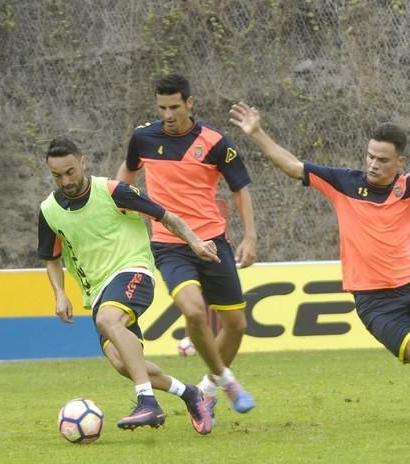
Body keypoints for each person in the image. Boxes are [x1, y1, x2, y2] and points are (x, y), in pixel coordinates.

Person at [229, 101, 410, 426]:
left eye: (382, 160)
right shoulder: (343, 182)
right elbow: (293, 166)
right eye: (370, 156)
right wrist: (257, 133)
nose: (373, 164)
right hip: (373, 301)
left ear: (400, 161)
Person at [38, 137, 217, 434]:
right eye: (57, 175)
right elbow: (51, 258)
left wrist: (195, 242)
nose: (65, 181)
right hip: (97, 293)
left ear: (83, 163)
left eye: (70, 172)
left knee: (110, 320)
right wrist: (60, 294)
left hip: (133, 271)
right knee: (123, 363)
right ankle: (191, 394)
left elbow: (166, 215)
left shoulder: (111, 191)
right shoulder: (48, 210)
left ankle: (147, 401)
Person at [116, 74, 256, 420]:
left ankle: (207, 391)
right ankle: (227, 380)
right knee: (194, 311)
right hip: (170, 244)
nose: (167, 114)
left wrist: (250, 236)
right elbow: (128, 173)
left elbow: (240, 189)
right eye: (161, 107)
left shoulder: (215, 142)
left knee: (236, 325)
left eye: (174, 106)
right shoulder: (143, 137)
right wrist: (118, 199)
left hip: (213, 243)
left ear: (190, 104)